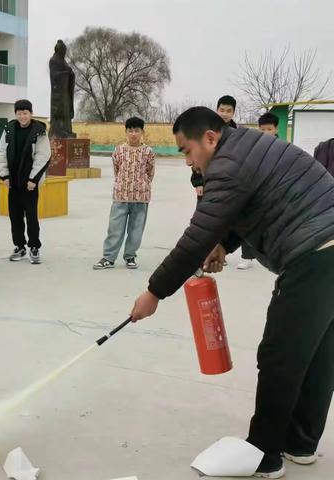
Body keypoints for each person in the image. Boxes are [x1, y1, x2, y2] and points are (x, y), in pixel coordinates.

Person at [131, 106, 334, 479]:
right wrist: (224, 243)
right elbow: (256, 204)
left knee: (280, 356)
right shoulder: (248, 146)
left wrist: (154, 292)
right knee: (318, 353)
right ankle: (301, 444)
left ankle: (265, 456)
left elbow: (194, 239)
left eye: (188, 151)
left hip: (316, 254)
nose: (190, 163)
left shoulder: (227, 165)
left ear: (210, 138)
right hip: (328, 248)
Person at [93, 117, 155, 270]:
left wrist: (141, 185)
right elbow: (117, 169)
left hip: (141, 197)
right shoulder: (119, 150)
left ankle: (130, 256)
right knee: (115, 227)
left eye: (137, 131)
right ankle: (108, 257)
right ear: (126, 132)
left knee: (136, 229)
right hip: (121, 195)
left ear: (142, 132)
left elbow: (150, 172)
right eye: (130, 131)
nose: (134, 134)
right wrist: (123, 184)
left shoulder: (148, 152)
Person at [0, 99, 51, 264]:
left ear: (31, 113)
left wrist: (33, 179)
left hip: (29, 184)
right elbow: (1, 153)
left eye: (25, 113)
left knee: (32, 217)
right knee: (15, 217)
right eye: (19, 113)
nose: (22, 116)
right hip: (13, 182)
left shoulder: (39, 131)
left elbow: (43, 156)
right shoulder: (8, 129)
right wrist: (4, 175)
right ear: (15, 114)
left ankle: (34, 247)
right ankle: (20, 246)